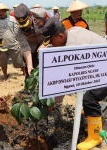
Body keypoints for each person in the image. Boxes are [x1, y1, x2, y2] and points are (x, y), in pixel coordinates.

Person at [42, 17, 107, 150]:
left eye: (52, 41)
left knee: (90, 98)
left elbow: (64, 83)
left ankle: (95, 136)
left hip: (104, 69)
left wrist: (52, 104)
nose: (51, 45)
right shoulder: (72, 31)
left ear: (60, 36)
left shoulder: (73, 48)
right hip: (98, 68)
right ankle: (92, 116)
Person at [14, 3, 51, 77]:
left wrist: (45, 44)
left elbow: (53, 30)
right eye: (22, 24)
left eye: (26, 23)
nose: (26, 27)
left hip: (45, 39)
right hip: (31, 44)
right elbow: (25, 47)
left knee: (48, 65)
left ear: (31, 15)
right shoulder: (17, 27)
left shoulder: (42, 15)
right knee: (30, 69)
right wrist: (29, 65)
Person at [0, 2, 24, 80]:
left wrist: (19, 41)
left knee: (19, 60)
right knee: (3, 62)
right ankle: (5, 75)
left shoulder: (12, 19)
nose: (1, 13)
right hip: (1, 46)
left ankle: (24, 72)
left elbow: (17, 30)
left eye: (2, 11)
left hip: (13, 43)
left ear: (5, 11)